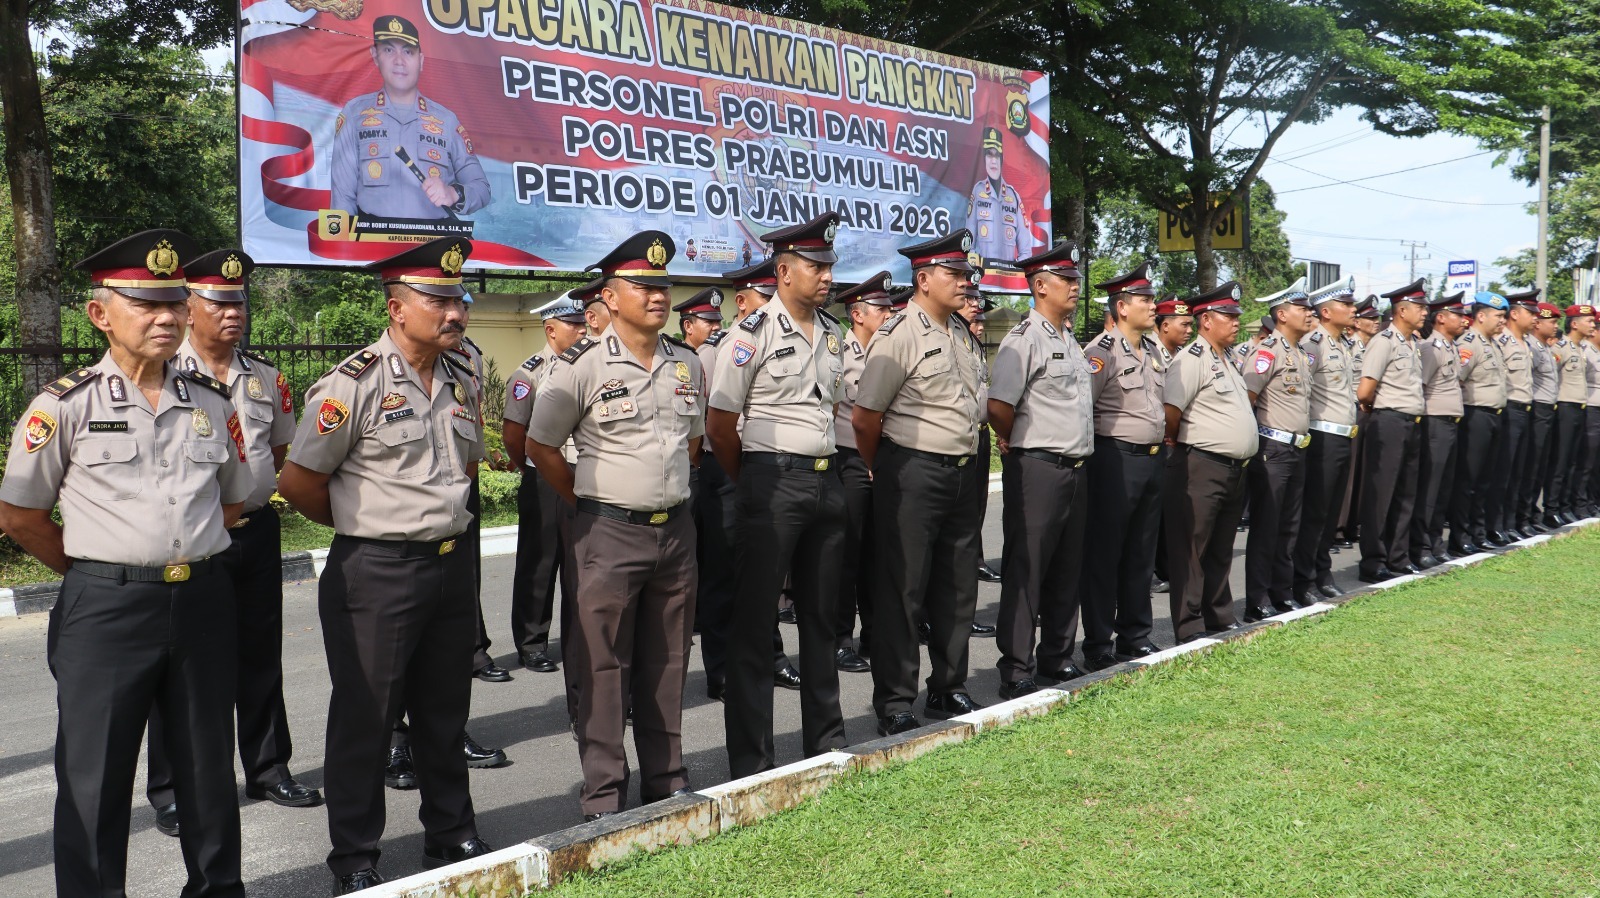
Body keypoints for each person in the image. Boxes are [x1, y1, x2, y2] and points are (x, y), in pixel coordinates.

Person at [0, 229, 250, 898]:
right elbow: (21, 516)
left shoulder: (210, 402)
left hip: (200, 601)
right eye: (147, 304)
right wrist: (98, 567)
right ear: (101, 313)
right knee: (94, 778)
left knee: (206, 769)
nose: (167, 318)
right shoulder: (63, 406)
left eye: (174, 303)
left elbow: (235, 501)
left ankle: (218, 890)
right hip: (105, 609)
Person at [278, 238, 491, 891]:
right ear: (397, 308)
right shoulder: (353, 384)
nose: (454, 312)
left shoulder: (460, 376)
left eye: (457, 298)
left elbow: (468, 468)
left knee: (445, 709)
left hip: (451, 566)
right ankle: (354, 854)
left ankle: (450, 832)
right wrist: (367, 532)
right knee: (366, 716)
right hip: (376, 571)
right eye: (439, 299)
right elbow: (301, 480)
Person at [524, 231, 703, 819]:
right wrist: (587, 500)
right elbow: (542, 444)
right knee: (602, 667)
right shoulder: (580, 368)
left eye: (663, 285)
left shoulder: (686, 363)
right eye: (643, 286)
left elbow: (694, 444)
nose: (658, 295)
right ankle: (604, 794)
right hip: (607, 533)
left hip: (675, 532)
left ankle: (666, 779)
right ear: (610, 295)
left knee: (669, 659)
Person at [144, 249, 319, 843]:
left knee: (260, 654)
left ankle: (268, 769)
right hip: (194, 539)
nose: (233, 313)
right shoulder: (163, 374)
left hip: (255, 531)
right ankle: (172, 791)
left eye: (239, 302)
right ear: (189, 307)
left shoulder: (267, 377)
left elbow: (279, 452)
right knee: (181, 667)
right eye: (219, 302)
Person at [707, 212, 849, 778]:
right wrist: (754, 479)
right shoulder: (751, 334)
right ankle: (753, 759)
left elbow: (831, 407)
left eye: (829, 267)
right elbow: (720, 424)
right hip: (771, 479)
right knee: (755, 619)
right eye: (816, 266)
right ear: (784, 272)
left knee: (821, 617)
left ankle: (825, 741)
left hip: (825, 478)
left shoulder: (834, 333)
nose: (826, 277)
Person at [853, 230, 988, 735]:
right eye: (953, 274)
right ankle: (895, 701)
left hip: (961, 472)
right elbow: (866, 417)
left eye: (966, 274)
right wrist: (884, 466)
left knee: (956, 586)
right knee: (902, 589)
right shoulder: (899, 332)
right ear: (924, 278)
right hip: (911, 471)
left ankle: (949, 686)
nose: (964, 282)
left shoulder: (961, 332)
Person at [988, 241, 1094, 696]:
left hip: (1074, 468)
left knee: (1067, 568)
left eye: (1075, 279)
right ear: (1040, 286)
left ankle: (1057, 656)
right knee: (1027, 568)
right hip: (1038, 466)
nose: (1075, 286)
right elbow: (998, 405)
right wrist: (1015, 440)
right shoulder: (1023, 339)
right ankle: (1016, 668)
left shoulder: (1068, 338)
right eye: (1067, 281)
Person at [694, 259, 804, 699]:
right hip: (726, 466)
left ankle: (771, 656)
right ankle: (720, 667)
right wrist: (735, 472)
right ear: (744, 303)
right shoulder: (718, 348)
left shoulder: (790, 335)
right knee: (723, 573)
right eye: (767, 296)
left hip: (764, 467)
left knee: (766, 571)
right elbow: (713, 424)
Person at [1081, 263, 1168, 670]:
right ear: (1122, 306)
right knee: (1105, 554)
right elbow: (1083, 408)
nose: (1153, 306)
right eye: (1145, 300)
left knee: (1140, 554)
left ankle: (1135, 635)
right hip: (1114, 459)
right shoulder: (1100, 352)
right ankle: (1098, 642)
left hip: (1151, 461)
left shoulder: (1153, 351)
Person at [1162, 282, 1256, 643]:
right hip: (1201, 465)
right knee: (1192, 549)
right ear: (1205, 321)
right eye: (1228, 316)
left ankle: (1219, 616)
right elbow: (1172, 412)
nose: (1236, 322)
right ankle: (1189, 626)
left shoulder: (1228, 359)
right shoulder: (1191, 360)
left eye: (1236, 316)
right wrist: (1178, 440)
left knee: (1221, 547)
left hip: (1234, 469)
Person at [330, 15, 490, 222]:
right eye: (389, 50)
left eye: (408, 52)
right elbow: (342, 199)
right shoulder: (354, 114)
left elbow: (481, 188)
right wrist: (345, 249)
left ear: (420, 61)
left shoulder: (447, 121)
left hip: (436, 246)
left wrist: (453, 194)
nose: (399, 61)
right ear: (375, 55)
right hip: (372, 242)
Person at [502, 294, 589, 675]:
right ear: (551, 329)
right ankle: (532, 642)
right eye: (575, 324)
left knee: (580, 560)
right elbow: (513, 435)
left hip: (584, 474)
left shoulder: (589, 365)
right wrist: (533, 470)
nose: (584, 330)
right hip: (545, 477)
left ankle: (580, 635)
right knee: (539, 563)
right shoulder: (529, 373)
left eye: (584, 322)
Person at [831, 272, 897, 673]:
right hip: (850, 460)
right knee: (847, 554)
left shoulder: (891, 352)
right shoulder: (839, 353)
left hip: (886, 459)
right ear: (857, 314)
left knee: (881, 553)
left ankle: (874, 636)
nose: (889, 314)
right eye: (881, 308)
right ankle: (841, 640)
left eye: (891, 307)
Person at [1241, 281, 1316, 621]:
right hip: (1272, 449)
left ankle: (1281, 592)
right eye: (1302, 309)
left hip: (1297, 448)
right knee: (1267, 526)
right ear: (1282, 314)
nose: (1309, 314)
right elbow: (1247, 399)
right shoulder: (1267, 352)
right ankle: (1257, 599)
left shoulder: (1301, 354)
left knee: (1289, 526)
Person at [1354, 279, 1429, 581]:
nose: (1425, 312)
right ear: (1401, 310)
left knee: (1405, 493)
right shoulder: (1384, 342)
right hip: (1388, 422)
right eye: (1420, 307)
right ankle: (1373, 561)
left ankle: (1397, 557)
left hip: (1411, 422)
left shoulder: (1413, 343)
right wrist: (1379, 410)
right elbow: (1364, 391)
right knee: (1381, 495)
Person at [1291, 277, 1359, 602]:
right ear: (1327, 312)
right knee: (1315, 513)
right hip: (1322, 438)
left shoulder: (1344, 344)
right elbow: (1300, 391)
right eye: (1346, 304)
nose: (1353, 309)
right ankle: (1303, 580)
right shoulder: (1312, 345)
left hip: (1343, 437)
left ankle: (1321, 572)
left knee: (1331, 513)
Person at [1409, 291, 1468, 569]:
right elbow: (1420, 386)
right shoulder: (1430, 347)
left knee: (1443, 488)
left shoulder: (1451, 346)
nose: (1464, 319)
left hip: (1450, 423)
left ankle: (1434, 542)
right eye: (1458, 315)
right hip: (1434, 423)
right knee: (1430, 488)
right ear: (1441, 318)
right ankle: (1421, 546)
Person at [1448, 291, 1510, 555]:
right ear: (1481, 316)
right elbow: (1456, 380)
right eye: (1498, 316)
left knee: (1484, 480)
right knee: (1468, 481)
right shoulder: (1469, 344)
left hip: (1494, 416)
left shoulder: (1492, 343)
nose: (1503, 322)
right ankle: (1460, 537)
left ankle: (1477, 532)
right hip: (1475, 417)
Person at [1487, 288, 1539, 542]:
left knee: (1519, 471)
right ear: (1515, 314)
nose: (1535, 318)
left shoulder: (1527, 343)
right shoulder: (1502, 340)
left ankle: (1510, 523)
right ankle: (1495, 525)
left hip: (1525, 410)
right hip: (1508, 410)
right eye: (1531, 312)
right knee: (1503, 473)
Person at [1545, 304, 1594, 526]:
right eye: (1589, 321)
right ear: (1574, 324)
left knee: (1572, 461)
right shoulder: (1561, 348)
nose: (1592, 324)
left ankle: (1565, 506)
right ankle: (1552, 508)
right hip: (1564, 408)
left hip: (1578, 408)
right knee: (1560, 460)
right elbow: (1551, 378)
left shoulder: (1579, 349)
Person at [1522, 301, 1561, 533]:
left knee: (1539, 466)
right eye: (1552, 322)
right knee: (1531, 466)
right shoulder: (1533, 348)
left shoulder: (1544, 347)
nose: (1556, 326)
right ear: (1538, 324)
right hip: (1536, 409)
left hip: (1547, 410)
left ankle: (1530, 515)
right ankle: (1524, 516)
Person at [965, 127, 1030, 262]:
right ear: (984, 158)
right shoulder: (978, 191)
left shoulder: (1013, 197)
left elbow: (1025, 251)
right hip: (983, 278)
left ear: (1002, 158)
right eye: (989, 154)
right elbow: (968, 243)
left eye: (997, 155)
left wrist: (1016, 272)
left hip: (1008, 278)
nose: (993, 161)